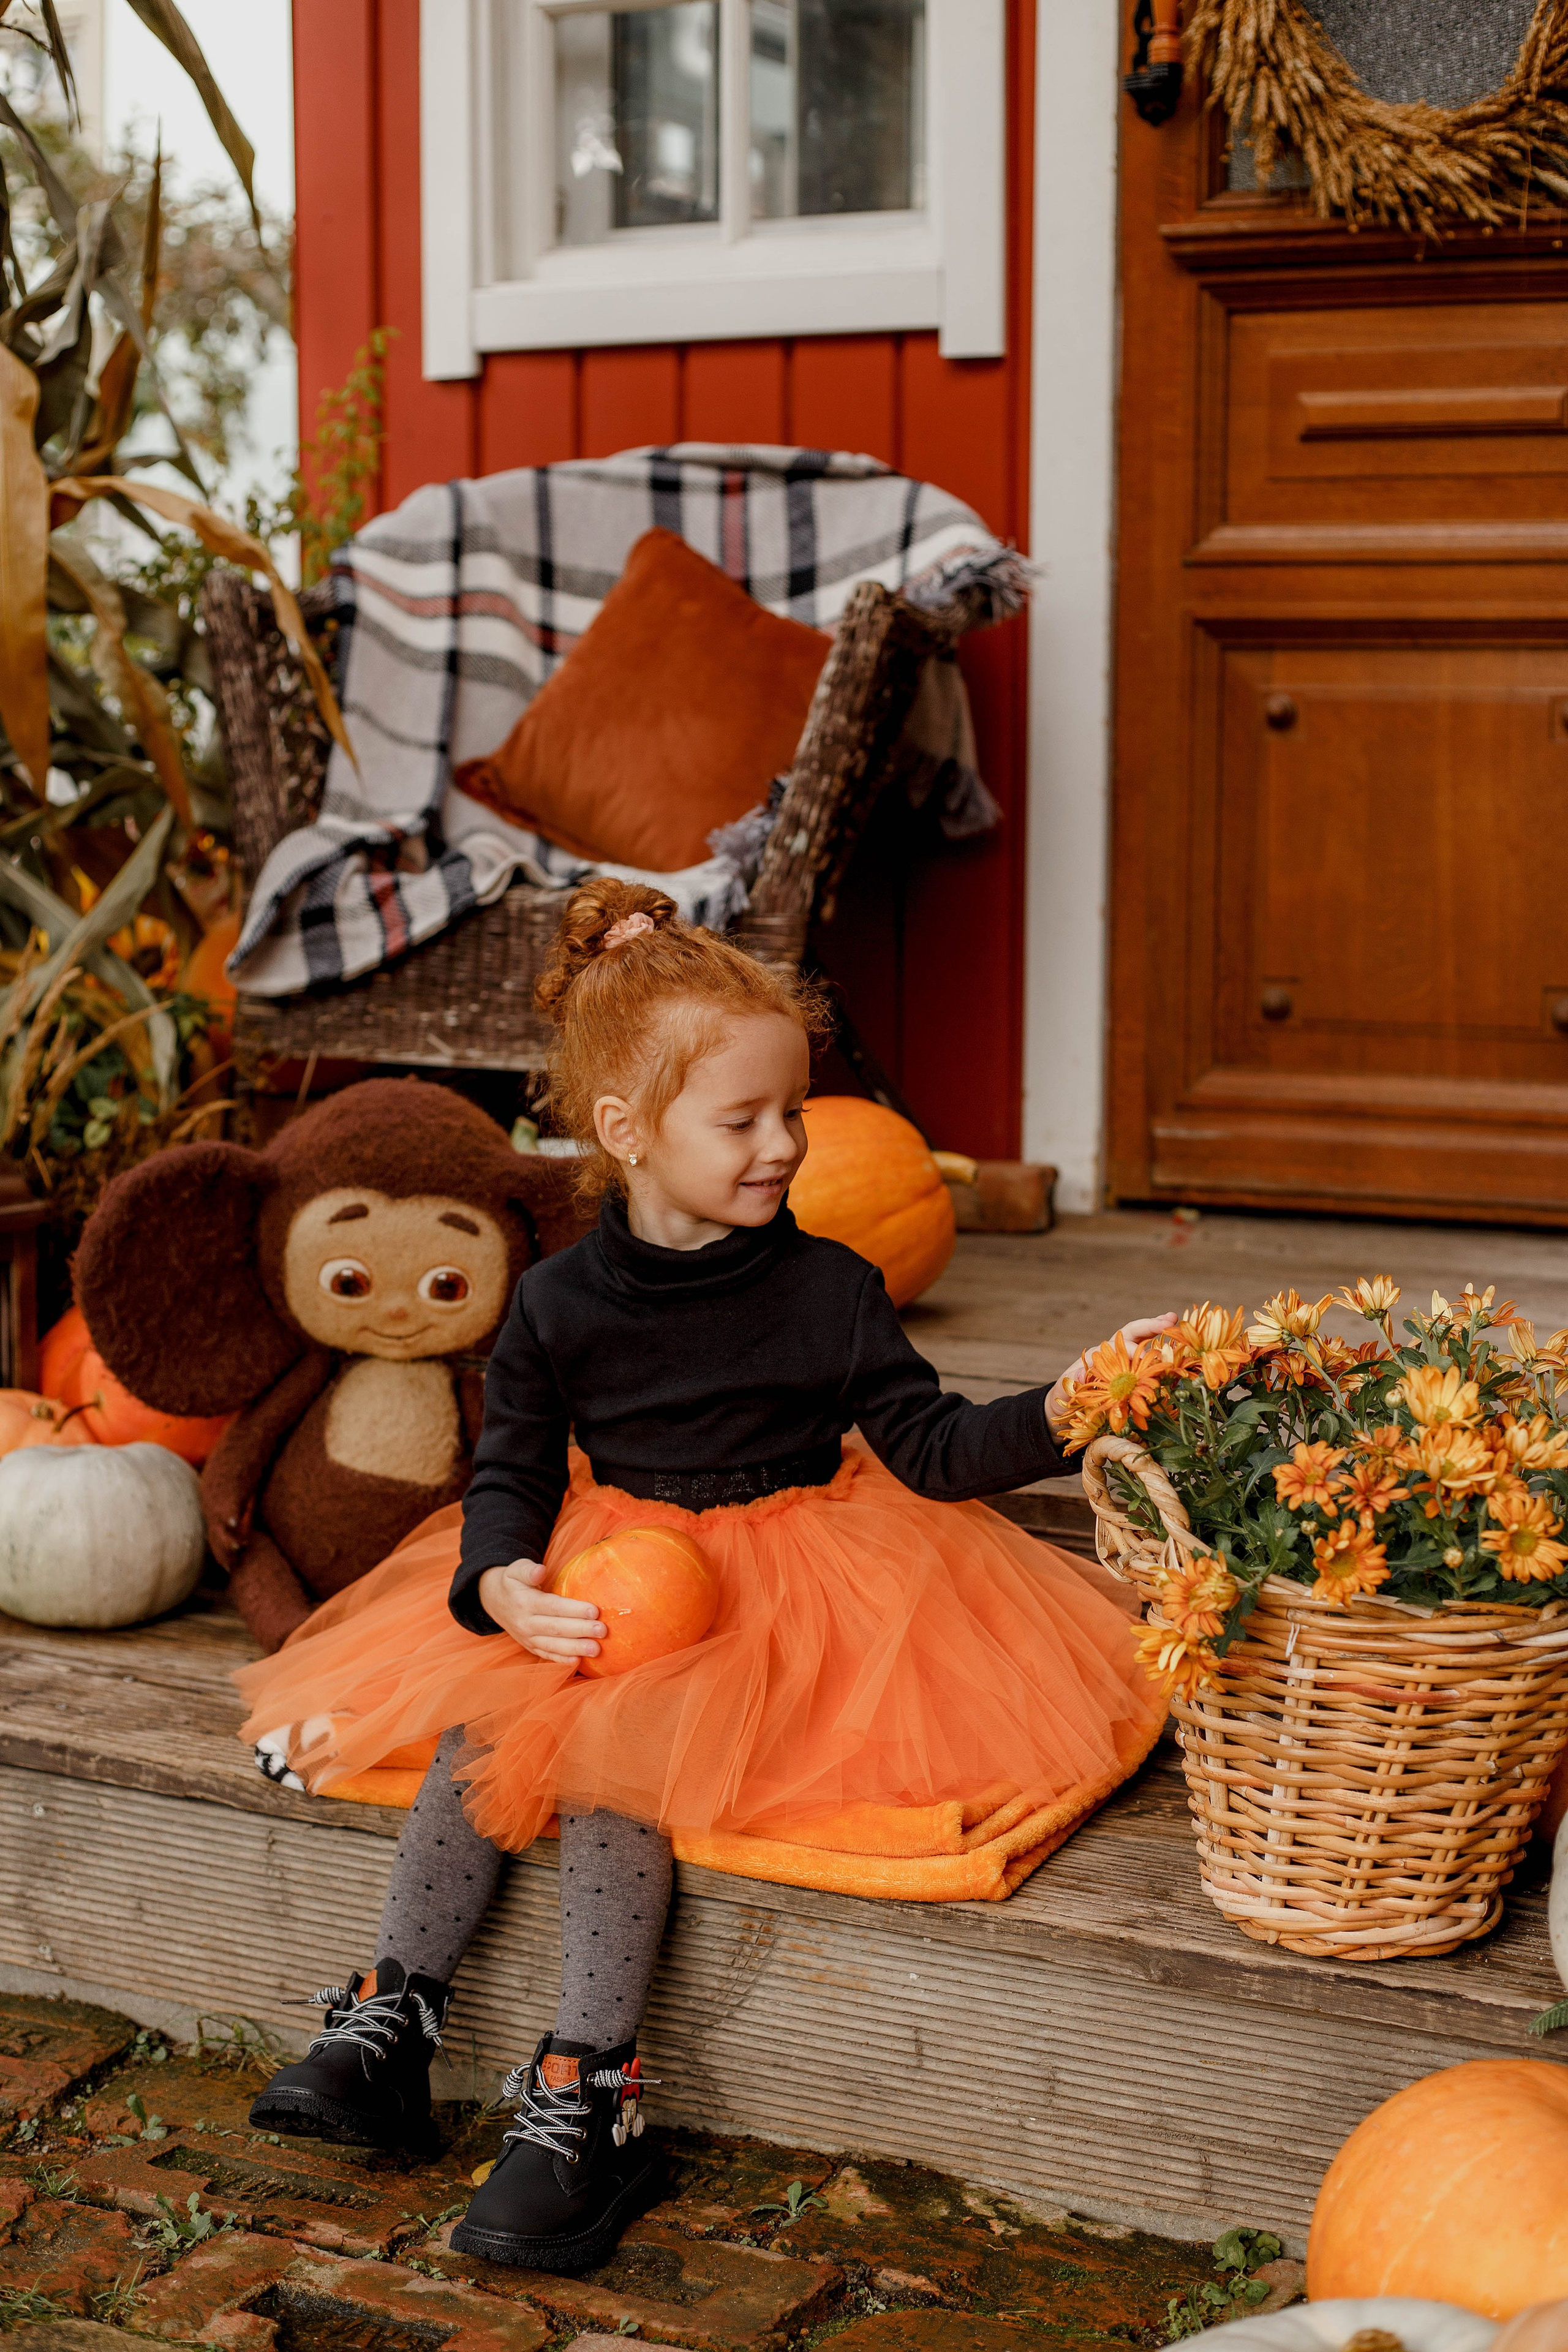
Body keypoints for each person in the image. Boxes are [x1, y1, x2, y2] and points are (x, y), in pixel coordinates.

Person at [234, 880, 1172, 2279]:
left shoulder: (830, 1288)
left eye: (790, 1110)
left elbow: (928, 1446)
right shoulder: (553, 1304)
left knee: (622, 1771)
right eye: (741, 1122)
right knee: (484, 1727)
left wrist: (1067, 1401)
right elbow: (510, 1473)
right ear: (624, 1134)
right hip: (610, 1563)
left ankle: (584, 2099)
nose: (783, 1144)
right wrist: (493, 1583)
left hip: (794, 1582)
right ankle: (389, 2021)